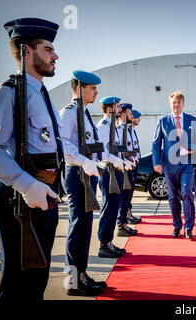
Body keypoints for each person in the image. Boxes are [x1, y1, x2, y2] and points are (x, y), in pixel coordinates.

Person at [0, 17, 62, 300]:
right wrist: (26, 185)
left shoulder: (41, 94)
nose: (55, 55)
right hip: (20, 197)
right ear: (26, 51)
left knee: (37, 278)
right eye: (47, 49)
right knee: (17, 283)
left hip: (45, 194)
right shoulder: (9, 92)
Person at [60, 71, 114, 296]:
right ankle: (73, 279)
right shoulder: (69, 113)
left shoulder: (84, 114)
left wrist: (102, 161)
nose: (96, 92)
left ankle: (82, 273)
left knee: (85, 225)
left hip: (87, 173)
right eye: (93, 88)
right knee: (78, 224)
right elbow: (61, 144)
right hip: (75, 173)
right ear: (80, 87)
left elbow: (91, 145)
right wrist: (83, 162)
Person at [152, 90, 196, 240]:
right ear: (170, 104)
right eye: (173, 102)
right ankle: (176, 226)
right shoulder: (163, 121)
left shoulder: (191, 120)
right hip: (169, 165)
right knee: (173, 197)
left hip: (187, 164)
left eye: (178, 102)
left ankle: (188, 228)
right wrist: (157, 163)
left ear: (183, 104)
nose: (176, 105)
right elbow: (156, 144)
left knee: (187, 193)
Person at [96, 96, 127, 258]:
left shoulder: (111, 125)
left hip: (115, 170)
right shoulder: (103, 126)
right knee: (109, 206)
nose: (120, 109)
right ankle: (103, 244)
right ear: (109, 109)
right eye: (117, 106)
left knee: (114, 206)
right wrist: (117, 160)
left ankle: (108, 241)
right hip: (108, 171)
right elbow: (102, 152)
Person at [116, 104, 137, 236]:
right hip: (121, 167)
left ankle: (123, 222)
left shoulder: (127, 129)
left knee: (126, 196)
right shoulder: (119, 128)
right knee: (123, 197)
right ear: (124, 114)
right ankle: (121, 224)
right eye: (130, 113)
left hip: (128, 165)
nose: (132, 116)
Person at [126, 109, 142, 224]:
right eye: (137, 117)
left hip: (134, 164)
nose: (138, 119)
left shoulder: (132, 131)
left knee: (131, 191)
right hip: (129, 165)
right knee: (127, 191)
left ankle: (129, 213)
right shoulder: (126, 131)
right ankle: (127, 215)